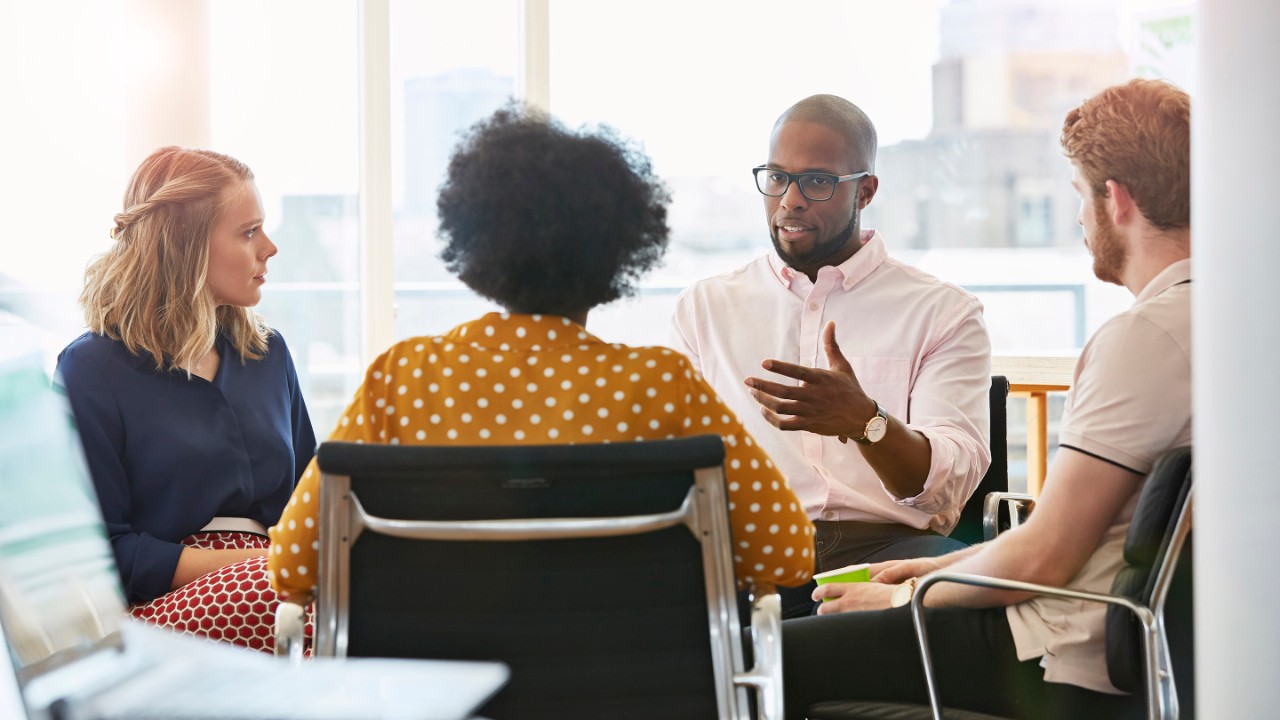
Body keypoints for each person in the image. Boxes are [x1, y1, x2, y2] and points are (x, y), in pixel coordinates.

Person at [269, 103, 815, 603]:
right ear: (617, 254)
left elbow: (294, 562)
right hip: (627, 687)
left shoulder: (405, 378)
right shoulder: (658, 386)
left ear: (477, 244)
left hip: (445, 693)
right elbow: (789, 553)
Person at [780, 78, 1192, 719]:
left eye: (1079, 196)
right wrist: (922, 574)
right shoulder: (1214, 322)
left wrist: (901, 599)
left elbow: (1046, 554)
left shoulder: (1144, 337)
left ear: (1115, 200)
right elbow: (1059, 537)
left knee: (767, 661)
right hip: (1108, 635)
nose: (1077, 218)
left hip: (1054, 646)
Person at [669, 94, 992, 617]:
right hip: (750, 554)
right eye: (776, 177)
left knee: (965, 610)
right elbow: (677, 461)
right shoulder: (706, 307)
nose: (789, 200)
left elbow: (944, 494)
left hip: (885, 551)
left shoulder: (943, 312)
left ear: (865, 190)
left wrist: (867, 423)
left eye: (817, 181)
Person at [57, 146, 316, 653]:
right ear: (186, 246)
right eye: (248, 232)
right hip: (163, 605)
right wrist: (264, 565)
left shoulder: (269, 353)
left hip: (279, 587)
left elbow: (310, 502)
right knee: (283, 598)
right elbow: (103, 552)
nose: (270, 247)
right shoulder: (90, 369)